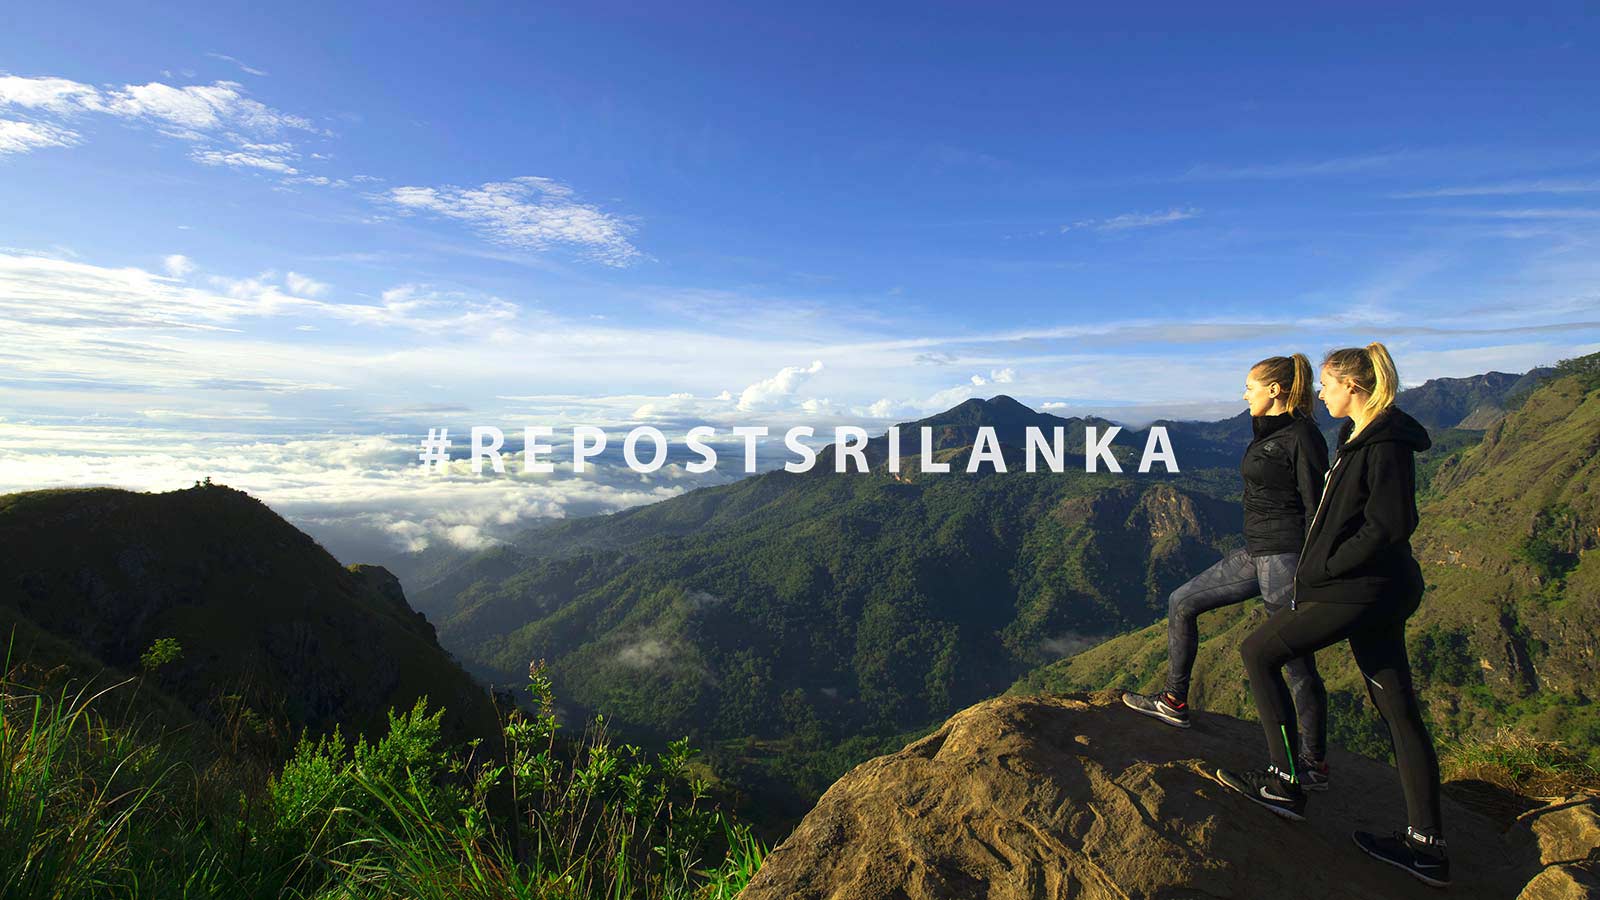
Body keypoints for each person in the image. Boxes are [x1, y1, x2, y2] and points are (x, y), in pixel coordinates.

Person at [1215, 342, 1448, 889]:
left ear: (1355, 387)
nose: (1320, 393)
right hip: (1370, 588)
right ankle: (1427, 846)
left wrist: (1327, 569)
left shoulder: (1383, 443)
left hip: (1364, 588)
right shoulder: (1356, 436)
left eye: (1328, 384)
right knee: (1395, 704)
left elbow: (1390, 524)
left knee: (1259, 651)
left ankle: (1284, 781)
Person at [1123, 354, 1332, 788]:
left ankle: (1312, 764)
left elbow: (1316, 506)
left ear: (1274, 389)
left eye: (1250, 386)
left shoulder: (1303, 437)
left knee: (1294, 663)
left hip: (1285, 557)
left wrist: (1312, 568)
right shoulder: (1270, 430)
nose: (1244, 394)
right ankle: (1174, 701)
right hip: (1255, 553)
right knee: (1181, 601)